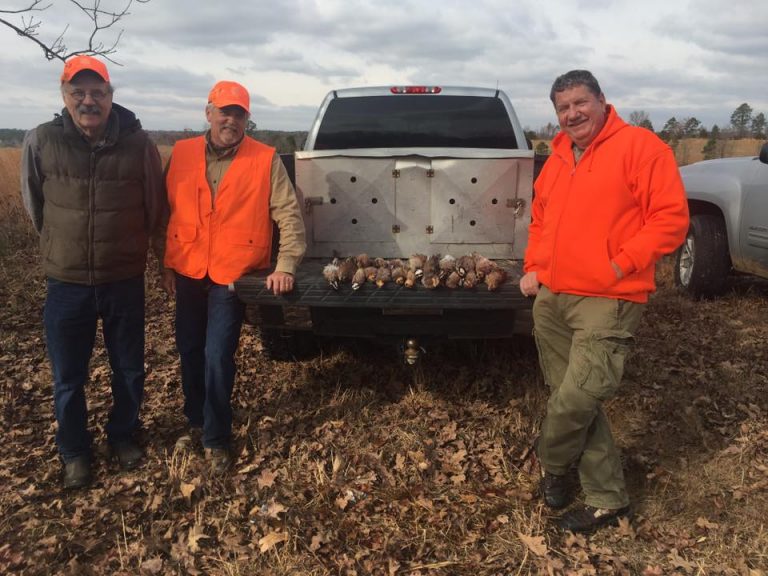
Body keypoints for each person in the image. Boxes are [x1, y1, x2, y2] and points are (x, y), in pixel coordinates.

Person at [520, 70, 689, 533]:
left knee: (577, 398)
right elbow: (540, 220)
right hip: (553, 297)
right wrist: (533, 267)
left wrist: (619, 263)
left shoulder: (640, 148)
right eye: (563, 108)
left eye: (580, 102)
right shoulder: (555, 158)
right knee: (571, 398)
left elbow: (671, 219)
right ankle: (606, 497)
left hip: (608, 297)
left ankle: (552, 462)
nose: (572, 114)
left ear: (601, 100)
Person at [21, 55, 165, 489]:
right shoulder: (41, 140)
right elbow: (36, 207)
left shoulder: (140, 145)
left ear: (110, 96)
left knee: (129, 368)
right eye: (78, 92)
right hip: (66, 282)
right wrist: (62, 246)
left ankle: (122, 435)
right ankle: (74, 451)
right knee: (68, 375)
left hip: (123, 278)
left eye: (97, 92)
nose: (88, 101)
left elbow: (154, 208)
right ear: (64, 96)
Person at [161, 80, 306, 472]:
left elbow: (288, 215)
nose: (231, 120)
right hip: (189, 268)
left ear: (247, 119)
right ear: (208, 112)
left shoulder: (265, 158)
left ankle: (216, 438)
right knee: (189, 349)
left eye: (239, 113)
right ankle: (197, 418)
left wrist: (285, 265)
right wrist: (166, 262)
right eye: (224, 111)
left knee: (217, 355)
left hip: (232, 275)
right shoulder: (181, 153)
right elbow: (165, 211)